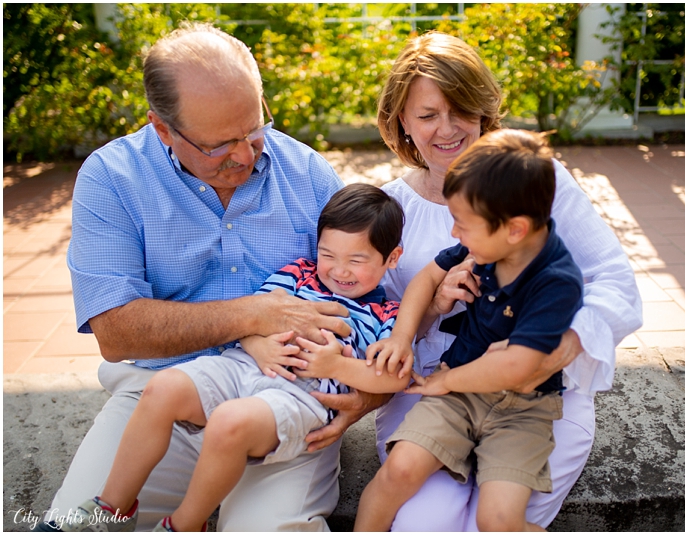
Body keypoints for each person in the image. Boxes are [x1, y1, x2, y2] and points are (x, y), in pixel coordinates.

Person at [304, 31, 641, 530]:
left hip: (538, 401)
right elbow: (373, 321)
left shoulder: (535, 181)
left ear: (483, 109)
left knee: (496, 521)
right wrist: (433, 306)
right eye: (427, 115)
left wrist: (555, 348)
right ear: (402, 121)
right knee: (422, 525)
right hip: (429, 392)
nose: (447, 129)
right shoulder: (387, 208)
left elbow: (614, 282)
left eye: (460, 109)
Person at [36, 23, 359, 532]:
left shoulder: (308, 173)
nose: (245, 155)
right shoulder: (112, 177)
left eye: (254, 129)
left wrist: (370, 394)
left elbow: (372, 295)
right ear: (163, 129)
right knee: (79, 525)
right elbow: (117, 333)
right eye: (219, 145)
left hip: (285, 398)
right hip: (159, 398)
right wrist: (254, 315)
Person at [355, 129, 584, 532]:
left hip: (521, 410)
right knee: (399, 470)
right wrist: (401, 337)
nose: (454, 234)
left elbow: (514, 367)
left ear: (515, 230)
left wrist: (444, 381)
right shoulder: (487, 241)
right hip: (457, 396)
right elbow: (427, 278)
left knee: (497, 520)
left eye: (462, 225)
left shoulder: (557, 282)